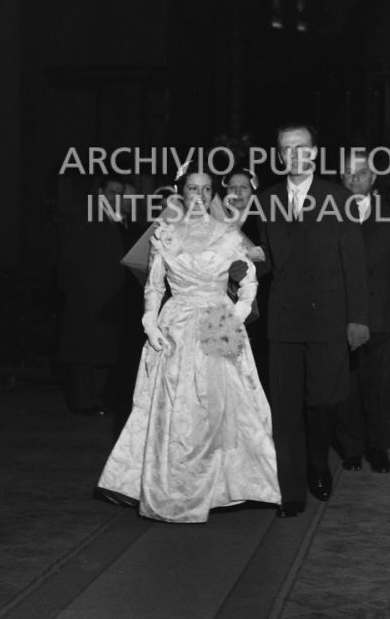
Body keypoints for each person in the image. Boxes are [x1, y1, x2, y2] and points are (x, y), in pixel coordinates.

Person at [96, 168, 280, 522]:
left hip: (217, 319)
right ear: (181, 193)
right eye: (192, 188)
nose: (199, 195)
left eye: (206, 189)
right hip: (176, 322)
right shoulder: (165, 234)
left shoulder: (228, 235)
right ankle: (173, 488)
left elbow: (250, 283)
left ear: (213, 195)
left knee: (226, 403)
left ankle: (228, 485)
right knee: (174, 408)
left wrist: (236, 315)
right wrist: (150, 321)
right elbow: (153, 286)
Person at [257, 123, 370, 517]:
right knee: (285, 408)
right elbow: (268, 260)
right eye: (286, 149)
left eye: (301, 147)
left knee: (321, 402)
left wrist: (358, 319)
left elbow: (354, 266)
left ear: (315, 154)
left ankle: (318, 463)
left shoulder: (339, 198)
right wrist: (240, 266)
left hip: (328, 320)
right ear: (279, 156)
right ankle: (291, 490)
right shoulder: (267, 200)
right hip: (284, 319)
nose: (295, 155)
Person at [335, 150, 390, 474]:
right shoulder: (330, 213)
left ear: (372, 179)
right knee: (348, 388)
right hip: (343, 317)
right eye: (347, 174)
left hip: (384, 314)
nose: (353, 179)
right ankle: (352, 449)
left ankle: (378, 447)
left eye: (360, 173)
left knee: (381, 387)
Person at [56, 177, 133, 415]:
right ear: (100, 192)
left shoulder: (116, 220)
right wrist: (78, 292)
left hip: (108, 297)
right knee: (83, 354)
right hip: (86, 296)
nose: (115, 198)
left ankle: (96, 401)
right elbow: (67, 260)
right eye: (111, 192)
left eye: (120, 193)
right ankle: (83, 403)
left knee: (101, 352)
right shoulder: (85, 217)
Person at [223, 166, 270, 391]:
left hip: (259, 303)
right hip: (223, 302)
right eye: (233, 187)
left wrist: (250, 259)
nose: (238, 192)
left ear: (253, 192)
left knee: (256, 363)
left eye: (244, 187)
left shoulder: (265, 220)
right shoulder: (216, 223)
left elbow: (272, 258)